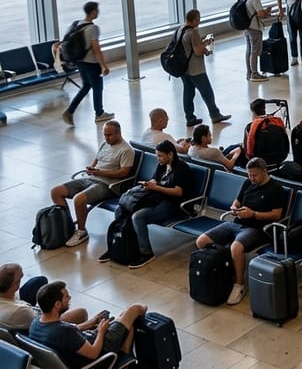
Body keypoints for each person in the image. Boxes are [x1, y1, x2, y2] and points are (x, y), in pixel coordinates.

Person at [195, 157, 287, 305]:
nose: (252, 178)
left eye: (255, 175)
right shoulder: (247, 183)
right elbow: (236, 202)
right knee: (202, 241)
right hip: (236, 223)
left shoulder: (276, 189)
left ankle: (239, 284)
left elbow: (276, 215)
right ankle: (224, 270)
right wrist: (234, 208)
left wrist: (254, 214)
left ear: (265, 171)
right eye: (249, 175)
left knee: (236, 247)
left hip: (257, 228)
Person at [104, 140, 191, 268]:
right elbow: (155, 180)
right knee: (120, 209)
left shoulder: (181, 168)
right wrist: (149, 184)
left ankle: (146, 253)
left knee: (138, 216)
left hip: (172, 204)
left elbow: (178, 192)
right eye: (157, 155)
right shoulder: (162, 165)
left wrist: (156, 188)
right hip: (155, 198)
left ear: (171, 154)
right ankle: (120, 245)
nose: (158, 159)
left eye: (161, 156)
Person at [52, 120, 134, 247]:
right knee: (56, 191)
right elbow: (96, 162)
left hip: (107, 185)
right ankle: (67, 225)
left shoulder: (126, 150)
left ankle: (81, 231)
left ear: (118, 133)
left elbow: (124, 173)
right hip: (91, 178)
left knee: (79, 199)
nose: (106, 138)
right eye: (105, 135)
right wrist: (91, 168)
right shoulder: (104, 145)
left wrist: (100, 172)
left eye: (109, 135)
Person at [29, 281, 145, 365]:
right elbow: (94, 353)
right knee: (135, 309)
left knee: (124, 320)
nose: (70, 298)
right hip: (100, 352)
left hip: (85, 343)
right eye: (66, 297)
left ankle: (125, 358)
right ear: (57, 305)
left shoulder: (35, 324)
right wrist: (101, 331)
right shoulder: (65, 331)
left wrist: (91, 323)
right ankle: (124, 358)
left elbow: (67, 336)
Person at [175, 10, 232, 129]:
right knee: (207, 92)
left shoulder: (180, 29)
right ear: (194, 20)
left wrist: (202, 43)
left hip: (183, 68)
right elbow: (197, 51)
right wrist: (205, 46)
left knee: (188, 92)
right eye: (198, 19)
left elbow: (189, 47)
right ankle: (215, 114)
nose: (199, 21)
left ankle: (190, 118)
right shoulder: (193, 32)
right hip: (196, 69)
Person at [62, 1, 112, 125]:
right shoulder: (93, 28)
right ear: (93, 12)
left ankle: (70, 110)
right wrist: (103, 65)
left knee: (86, 86)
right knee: (97, 87)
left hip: (80, 61)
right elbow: (96, 48)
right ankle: (99, 113)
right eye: (97, 10)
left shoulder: (77, 24)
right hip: (91, 63)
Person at [0, 264, 88, 332]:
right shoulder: (20, 311)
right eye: (20, 278)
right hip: (42, 324)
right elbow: (42, 320)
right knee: (81, 313)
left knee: (39, 281)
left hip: (23, 313)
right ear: (15, 284)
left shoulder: (6, 296)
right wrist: (44, 304)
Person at [241, 0, 272, 82]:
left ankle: (249, 72)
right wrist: (267, 12)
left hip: (246, 27)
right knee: (255, 51)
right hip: (254, 27)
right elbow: (261, 15)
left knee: (249, 50)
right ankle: (255, 74)